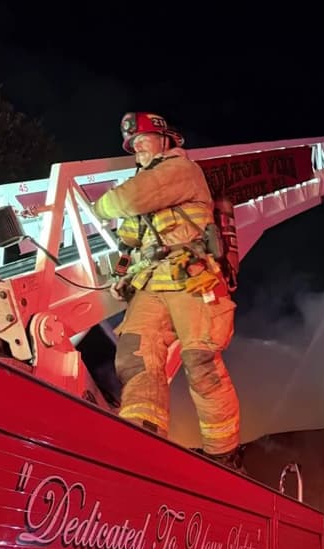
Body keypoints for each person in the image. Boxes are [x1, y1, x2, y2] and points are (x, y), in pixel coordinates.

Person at [91, 112, 242, 470]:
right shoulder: (143, 179)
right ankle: (142, 437)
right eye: (133, 144)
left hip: (191, 278)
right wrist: (122, 273)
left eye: (143, 139)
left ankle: (224, 455)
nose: (137, 147)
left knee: (200, 360)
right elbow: (128, 238)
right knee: (133, 355)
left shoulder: (179, 171)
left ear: (167, 141)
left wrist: (102, 203)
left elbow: (124, 202)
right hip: (152, 280)